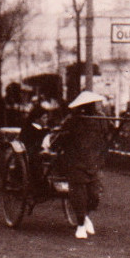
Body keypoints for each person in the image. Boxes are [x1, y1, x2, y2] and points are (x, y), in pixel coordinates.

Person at [54, 91, 113, 239]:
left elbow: (107, 133)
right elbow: (61, 139)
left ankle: (85, 217)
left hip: (93, 161)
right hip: (76, 162)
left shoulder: (100, 119)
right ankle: (80, 224)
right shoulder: (73, 121)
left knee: (94, 195)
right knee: (79, 194)